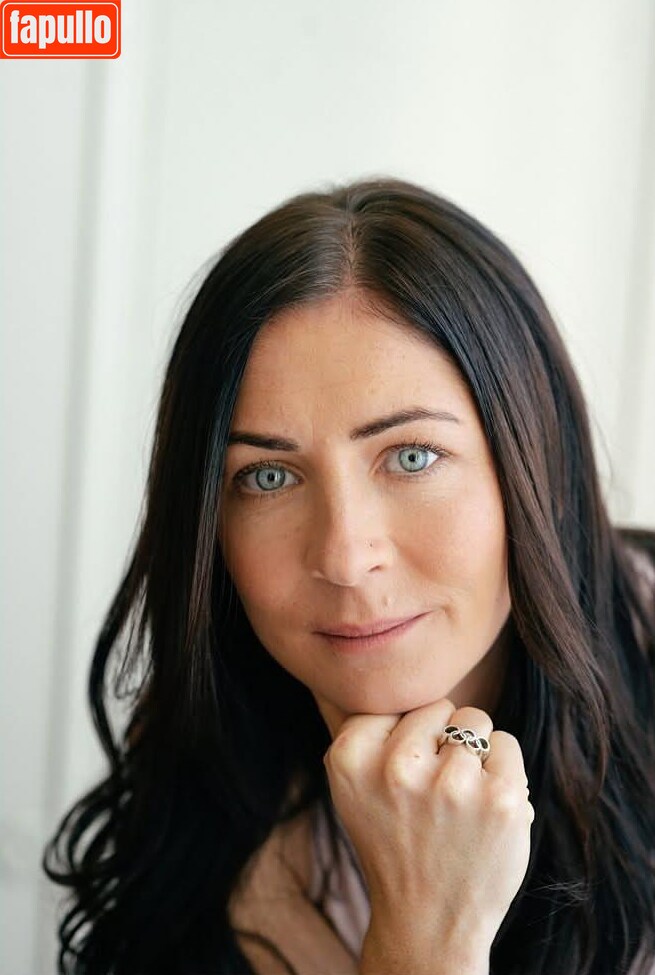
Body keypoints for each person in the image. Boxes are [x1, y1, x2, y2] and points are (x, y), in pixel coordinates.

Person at [43, 177, 655, 975]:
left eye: (412, 456)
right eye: (267, 476)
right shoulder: (208, 808)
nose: (343, 555)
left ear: (536, 460)